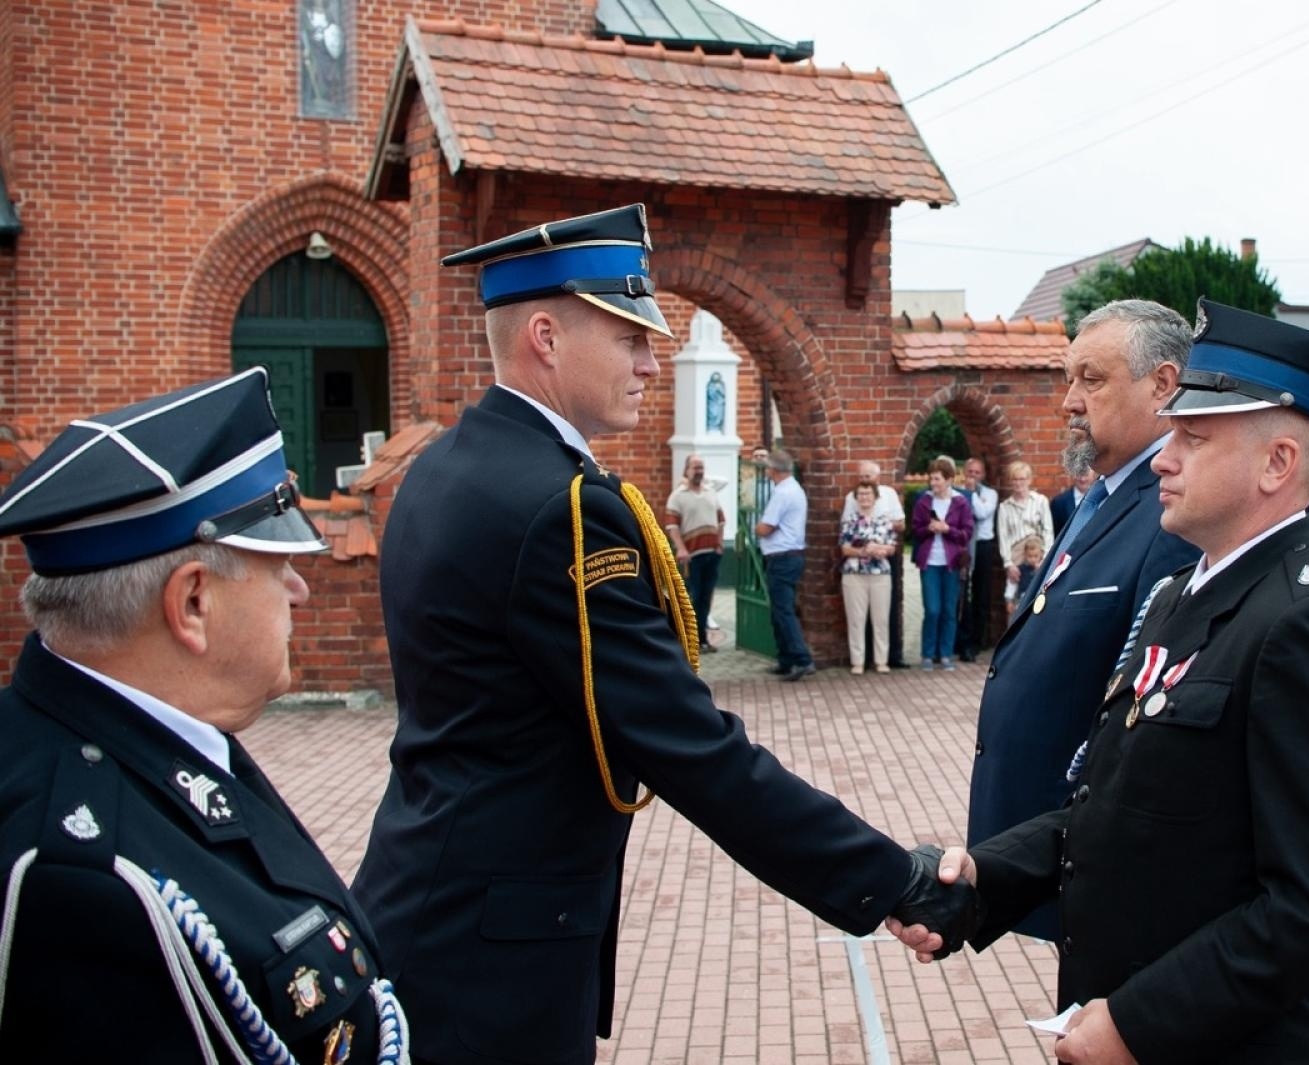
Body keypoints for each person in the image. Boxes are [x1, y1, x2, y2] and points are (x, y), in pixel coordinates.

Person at [351, 205, 977, 1065]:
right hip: (491, 951)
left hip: (436, 897)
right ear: (546, 335)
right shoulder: (559, 507)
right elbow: (690, 745)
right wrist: (889, 878)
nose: (653, 360)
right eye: (630, 336)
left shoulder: (446, 468)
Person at [897, 299, 1309, 1065]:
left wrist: (1139, 1021)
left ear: (1278, 464)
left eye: (1193, 437)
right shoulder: (1182, 594)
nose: (1163, 459)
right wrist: (982, 877)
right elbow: (1117, 806)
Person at [0, 369, 410, 1063]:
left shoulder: (154, 730)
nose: (301, 588)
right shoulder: (82, 885)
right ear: (192, 602)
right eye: (274, 561)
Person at [966, 299, 1199, 939]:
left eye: (1091, 380)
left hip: (1098, 858)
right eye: (1070, 378)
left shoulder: (1171, 516)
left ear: (1164, 386)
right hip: (1053, 850)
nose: (1069, 401)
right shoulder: (1103, 494)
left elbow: (1138, 705)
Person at [839, 459, 908, 667]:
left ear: (877, 478)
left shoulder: (889, 495)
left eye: (867, 477)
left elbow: (900, 526)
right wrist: (863, 549)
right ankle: (859, 661)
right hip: (855, 568)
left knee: (883, 617)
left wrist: (880, 547)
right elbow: (844, 541)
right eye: (861, 478)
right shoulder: (851, 502)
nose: (864, 482)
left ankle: (886, 659)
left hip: (881, 566)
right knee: (856, 619)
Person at [755, 448, 815, 680]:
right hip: (790, 555)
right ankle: (786, 658)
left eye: (768, 467)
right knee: (780, 610)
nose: (767, 472)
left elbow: (765, 527)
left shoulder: (782, 493)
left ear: (774, 469)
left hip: (782, 556)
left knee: (783, 610)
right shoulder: (794, 489)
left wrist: (757, 528)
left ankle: (801, 659)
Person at [912, 456, 974, 670]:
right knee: (932, 609)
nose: (933, 483)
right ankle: (928, 654)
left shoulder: (960, 502)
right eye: (932, 479)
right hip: (929, 562)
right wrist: (928, 529)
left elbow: (967, 533)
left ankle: (945, 653)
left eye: (937, 479)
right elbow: (915, 531)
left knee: (949, 610)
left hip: (952, 563)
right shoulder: (923, 501)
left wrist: (948, 529)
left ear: (949, 479)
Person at [665, 454, 724, 654]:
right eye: (695, 467)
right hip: (692, 556)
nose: (699, 470)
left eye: (701, 467)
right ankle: (690, 641)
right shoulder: (678, 496)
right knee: (693, 598)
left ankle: (703, 639)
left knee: (706, 598)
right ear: (686, 470)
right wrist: (680, 548)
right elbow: (672, 526)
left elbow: (721, 519)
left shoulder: (710, 492)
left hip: (712, 554)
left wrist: (719, 543)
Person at [955, 457, 999, 661]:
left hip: (982, 545)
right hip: (963, 546)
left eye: (977, 473)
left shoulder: (990, 494)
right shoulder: (957, 492)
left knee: (981, 594)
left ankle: (977, 641)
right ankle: (960, 638)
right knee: (963, 595)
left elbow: (982, 513)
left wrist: (971, 494)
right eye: (969, 472)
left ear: (983, 475)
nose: (972, 476)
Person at [994, 461, 1054, 609]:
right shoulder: (1004, 507)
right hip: (1016, 560)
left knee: (1038, 600)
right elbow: (1004, 538)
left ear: (1029, 480)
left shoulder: (1040, 501)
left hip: (1036, 557)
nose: (1018, 483)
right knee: (1013, 602)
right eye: (1015, 479)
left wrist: (1045, 560)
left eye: (1022, 479)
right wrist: (1008, 565)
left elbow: (1048, 531)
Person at [1050, 468, 1098, 534]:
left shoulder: (1101, 499)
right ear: (1073, 474)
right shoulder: (1059, 502)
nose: (1082, 479)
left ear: (1094, 475)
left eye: (1086, 475)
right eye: (1079, 474)